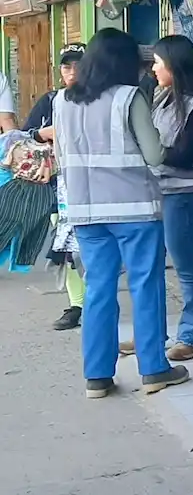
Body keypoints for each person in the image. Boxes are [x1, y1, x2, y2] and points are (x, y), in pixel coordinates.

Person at [52, 28, 190, 399]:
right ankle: (154, 370)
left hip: (85, 212)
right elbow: (154, 155)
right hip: (134, 211)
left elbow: (62, 156)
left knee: (98, 289)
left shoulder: (62, 101)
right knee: (145, 286)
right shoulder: (129, 98)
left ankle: (96, 376)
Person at [150, 35, 193, 361]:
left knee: (187, 266)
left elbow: (186, 154)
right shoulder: (161, 99)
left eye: (158, 63)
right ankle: (154, 333)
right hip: (158, 192)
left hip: (185, 194)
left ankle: (191, 335)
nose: (153, 69)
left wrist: (150, 153)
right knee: (151, 267)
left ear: (174, 66)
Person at [32, 43, 87, 330]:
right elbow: (27, 138)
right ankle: (77, 304)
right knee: (67, 250)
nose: (73, 71)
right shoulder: (50, 100)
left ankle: (97, 302)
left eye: (78, 64)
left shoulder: (101, 98)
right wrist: (44, 134)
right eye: (67, 66)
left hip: (94, 185)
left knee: (92, 248)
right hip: (59, 188)